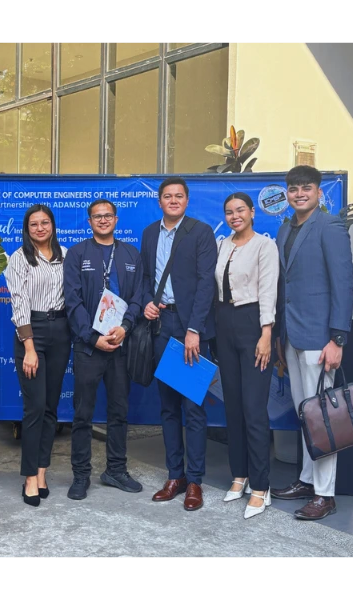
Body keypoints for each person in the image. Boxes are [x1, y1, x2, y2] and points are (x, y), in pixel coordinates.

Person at [270, 165, 353, 520]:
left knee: (323, 417)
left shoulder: (330, 226)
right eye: (293, 189)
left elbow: (344, 284)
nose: (299, 193)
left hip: (321, 339)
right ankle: (307, 480)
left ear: (319, 192)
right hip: (292, 335)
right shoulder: (285, 227)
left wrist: (337, 339)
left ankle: (325, 493)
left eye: (306, 188)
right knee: (307, 414)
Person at [141, 176, 217, 511]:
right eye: (167, 196)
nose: (173, 200)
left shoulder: (200, 232)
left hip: (189, 329)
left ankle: (195, 481)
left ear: (187, 201)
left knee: (193, 408)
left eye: (179, 196)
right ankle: (175, 475)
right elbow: (145, 278)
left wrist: (194, 329)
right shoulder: (149, 233)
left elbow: (205, 284)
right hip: (161, 324)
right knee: (168, 406)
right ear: (160, 201)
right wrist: (146, 301)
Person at [63, 199, 144, 501]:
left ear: (116, 219)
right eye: (97, 216)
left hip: (121, 345)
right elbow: (72, 300)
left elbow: (138, 296)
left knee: (118, 413)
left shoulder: (130, 254)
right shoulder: (77, 253)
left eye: (108, 215)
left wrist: (125, 327)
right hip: (89, 347)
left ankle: (116, 470)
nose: (103, 220)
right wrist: (90, 337)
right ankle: (81, 474)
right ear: (89, 221)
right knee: (82, 414)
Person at [215, 192, 279, 520]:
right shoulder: (223, 244)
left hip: (253, 323)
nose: (235, 215)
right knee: (234, 406)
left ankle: (261, 486)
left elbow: (268, 290)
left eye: (240, 210)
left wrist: (266, 334)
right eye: (229, 212)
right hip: (223, 324)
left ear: (253, 212)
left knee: (254, 409)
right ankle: (239, 475)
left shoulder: (264, 246)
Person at [5, 204, 71, 508]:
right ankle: (29, 477)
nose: (40, 228)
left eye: (45, 223)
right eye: (34, 224)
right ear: (27, 228)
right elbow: (19, 304)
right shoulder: (19, 259)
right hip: (32, 333)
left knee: (50, 409)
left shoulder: (66, 256)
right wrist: (29, 348)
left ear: (53, 226)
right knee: (34, 408)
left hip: (62, 331)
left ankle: (42, 471)